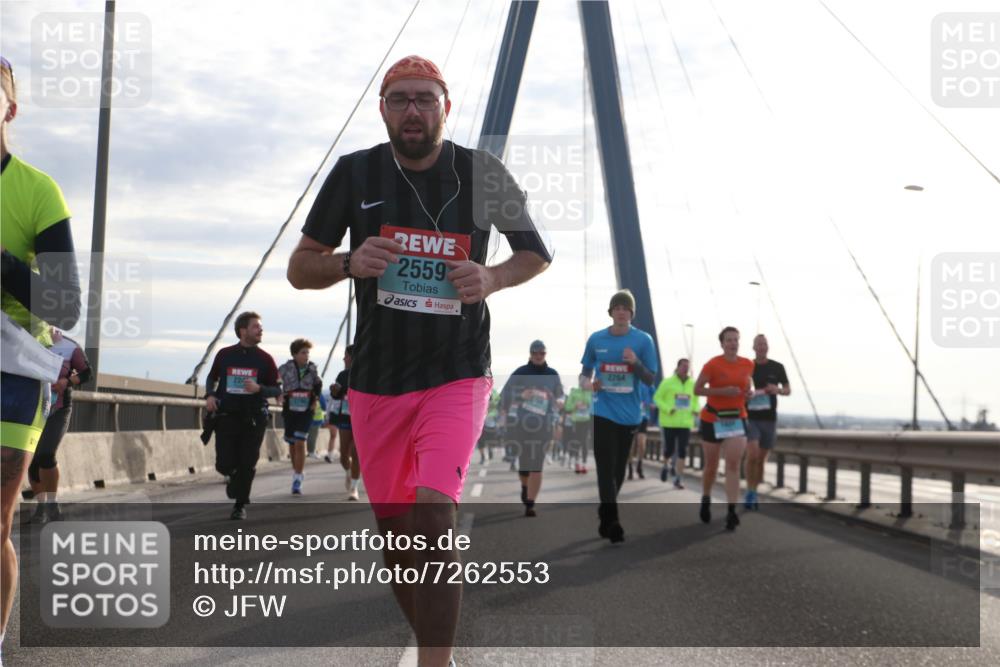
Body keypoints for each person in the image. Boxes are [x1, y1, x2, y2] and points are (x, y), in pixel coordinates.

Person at [286, 54, 551, 666]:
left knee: (434, 514)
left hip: (456, 373)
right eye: (400, 99)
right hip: (376, 382)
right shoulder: (355, 173)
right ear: (382, 109)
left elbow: (534, 253)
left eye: (424, 99)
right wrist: (348, 263)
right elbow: (300, 268)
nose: (413, 110)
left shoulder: (481, 173)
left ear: (445, 107)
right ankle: (439, 651)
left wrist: (492, 276)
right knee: (400, 544)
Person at [1, 55, 81, 654]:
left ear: (10, 108)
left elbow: (65, 303)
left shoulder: (36, 190)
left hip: (9, 373)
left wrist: (4, 265)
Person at [580, 290, 658, 543]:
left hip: (630, 415)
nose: (622, 312)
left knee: (619, 469)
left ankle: (605, 511)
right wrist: (588, 385)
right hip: (602, 411)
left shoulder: (643, 341)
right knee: (605, 467)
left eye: (626, 308)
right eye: (617, 308)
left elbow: (650, 378)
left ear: (632, 313)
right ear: (611, 312)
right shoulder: (596, 339)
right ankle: (613, 521)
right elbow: (584, 374)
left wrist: (635, 362)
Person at [204, 311, 281, 519]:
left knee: (248, 462)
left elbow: (277, 389)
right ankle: (233, 476)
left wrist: (259, 389)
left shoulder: (265, 359)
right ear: (242, 330)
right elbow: (212, 378)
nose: (260, 330)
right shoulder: (225, 354)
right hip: (227, 416)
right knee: (223, 463)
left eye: (261, 327)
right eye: (256, 326)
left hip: (254, 418)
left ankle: (239, 506)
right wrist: (210, 395)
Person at [693, 326, 754, 531]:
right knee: (711, 466)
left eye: (736, 339)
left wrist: (750, 392)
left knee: (733, 465)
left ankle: (731, 511)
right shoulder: (712, 364)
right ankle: (706, 497)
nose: (733, 343)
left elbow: (748, 384)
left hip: (737, 418)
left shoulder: (747, 364)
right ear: (722, 343)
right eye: (729, 340)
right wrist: (722, 391)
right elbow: (697, 389)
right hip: (712, 419)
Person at [28, 329, 91, 522]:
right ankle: (41, 507)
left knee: (46, 454)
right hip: (31, 407)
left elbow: (87, 373)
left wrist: (66, 381)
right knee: (32, 460)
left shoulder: (70, 346)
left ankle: (52, 503)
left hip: (59, 408)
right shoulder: (27, 338)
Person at [499, 340, 563, 517]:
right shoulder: (520, 372)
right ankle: (524, 486)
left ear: (545, 354)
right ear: (530, 354)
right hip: (522, 425)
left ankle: (531, 503)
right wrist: (521, 395)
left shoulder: (552, 374)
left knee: (537, 466)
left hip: (544, 426)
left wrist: (559, 402)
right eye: (535, 353)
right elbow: (504, 394)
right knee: (524, 464)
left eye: (542, 353)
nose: (538, 356)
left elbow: (561, 396)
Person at [744, 334, 790, 510]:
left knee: (761, 460)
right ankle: (749, 491)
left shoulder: (777, 367)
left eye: (764, 344)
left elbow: (787, 389)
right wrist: (746, 393)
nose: (762, 347)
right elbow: (740, 388)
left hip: (769, 419)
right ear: (753, 347)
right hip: (751, 417)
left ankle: (754, 490)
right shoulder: (747, 366)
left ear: (767, 347)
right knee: (752, 455)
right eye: (759, 344)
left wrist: (777, 389)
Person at [277, 338, 322, 495]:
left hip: (306, 410)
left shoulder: (312, 369)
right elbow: (275, 381)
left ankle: (297, 479)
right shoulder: (285, 368)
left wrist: (315, 399)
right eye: (303, 352)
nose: (306, 355)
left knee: (300, 442)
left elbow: (318, 385)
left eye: (308, 353)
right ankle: (298, 472)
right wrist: (279, 394)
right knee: (292, 443)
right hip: (290, 410)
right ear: (295, 354)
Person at [653, 358, 699, 489]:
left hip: (685, 423)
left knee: (682, 451)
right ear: (678, 367)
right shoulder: (667, 382)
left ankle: (678, 478)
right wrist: (668, 409)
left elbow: (696, 400)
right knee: (669, 449)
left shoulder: (693, 383)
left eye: (687, 367)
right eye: (683, 366)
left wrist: (696, 410)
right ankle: (665, 466)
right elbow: (657, 398)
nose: (685, 369)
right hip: (669, 422)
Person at [328, 345, 359, 500]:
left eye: (346, 356)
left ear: (353, 358)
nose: (344, 359)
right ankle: (348, 472)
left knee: (356, 453)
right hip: (345, 417)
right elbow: (336, 395)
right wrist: (334, 390)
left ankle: (354, 487)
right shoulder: (342, 375)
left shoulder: (366, 374)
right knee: (343, 456)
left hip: (361, 420)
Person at [562, 380, 593, 474]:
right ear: (581, 383)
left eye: (589, 382)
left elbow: (595, 405)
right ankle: (577, 462)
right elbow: (567, 407)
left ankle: (584, 464)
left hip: (587, 420)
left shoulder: (591, 393)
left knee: (584, 442)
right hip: (576, 421)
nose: (588, 384)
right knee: (576, 442)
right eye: (585, 382)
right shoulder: (574, 392)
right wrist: (575, 405)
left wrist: (588, 405)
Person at [627, 382, 654, 480]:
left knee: (642, 444)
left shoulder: (648, 383)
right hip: (630, 417)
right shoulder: (630, 380)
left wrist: (652, 404)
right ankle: (630, 467)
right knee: (630, 446)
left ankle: (639, 466)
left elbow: (655, 397)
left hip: (643, 417)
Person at [477, 388, 501, 464]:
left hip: (491, 425)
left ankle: (490, 449)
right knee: (480, 442)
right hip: (482, 425)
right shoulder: (479, 401)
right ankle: (483, 457)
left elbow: (499, 406)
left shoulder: (494, 394)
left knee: (490, 440)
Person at [306, 392, 326, 460]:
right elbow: (324, 407)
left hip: (305, 417)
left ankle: (309, 451)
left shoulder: (305, 391)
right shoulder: (319, 394)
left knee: (306, 435)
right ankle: (311, 452)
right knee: (312, 436)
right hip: (316, 419)